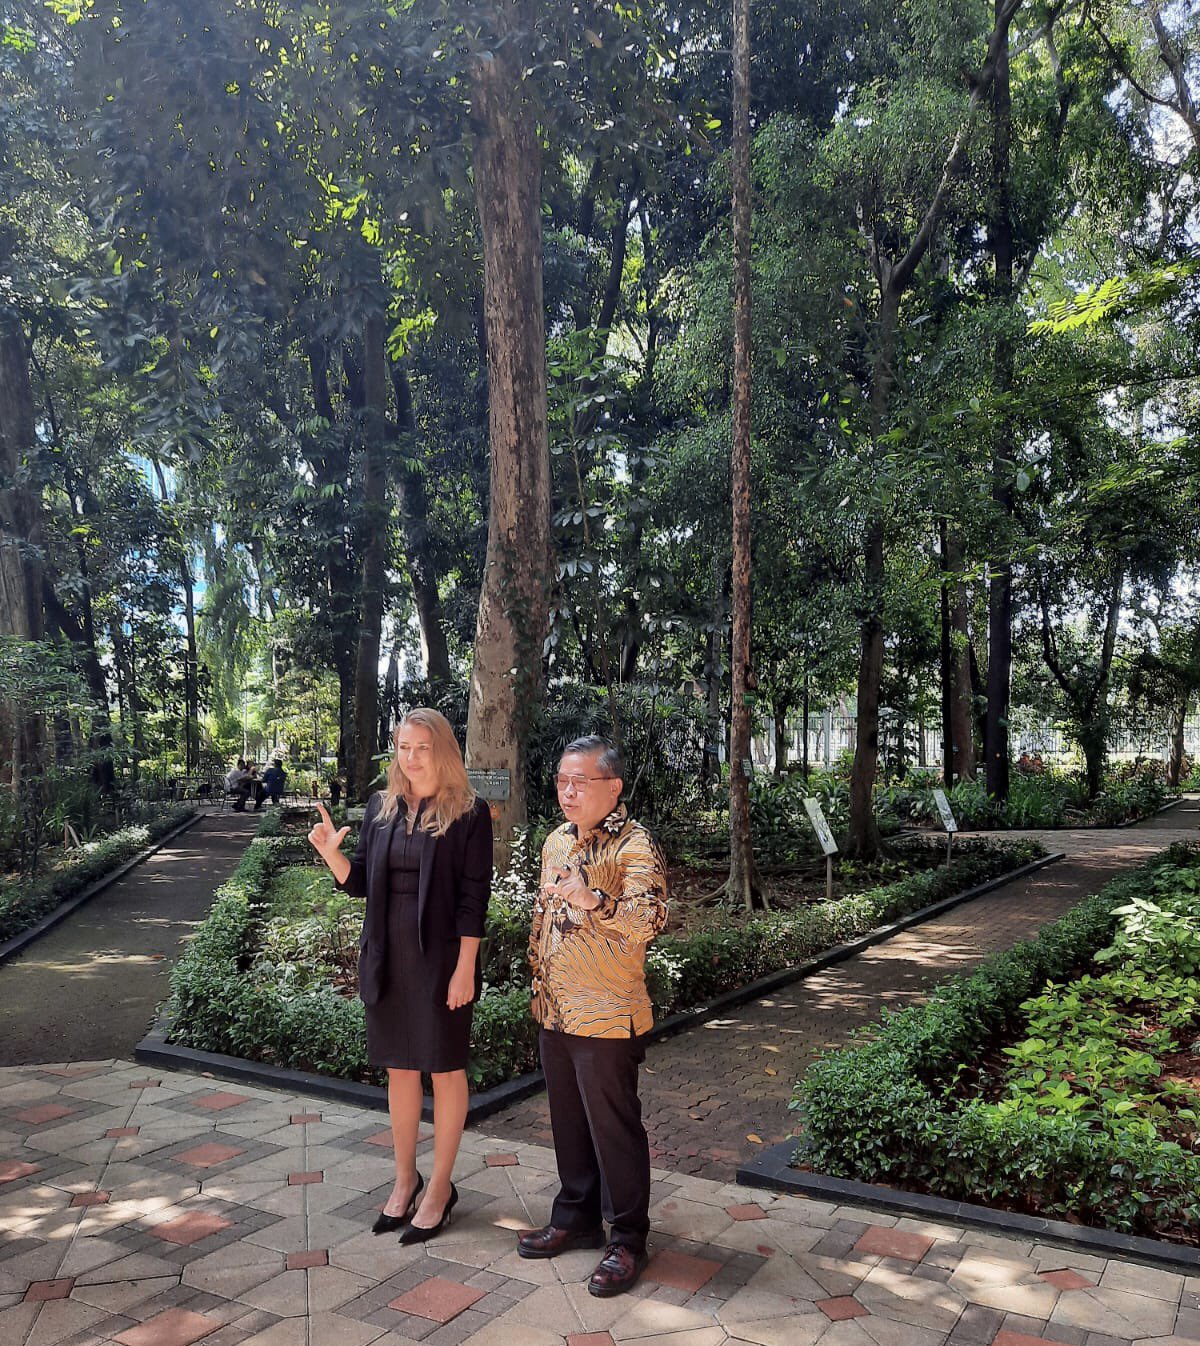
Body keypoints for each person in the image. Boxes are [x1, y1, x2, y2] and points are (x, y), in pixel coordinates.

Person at [307, 708, 492, 1244]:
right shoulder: (381, 807)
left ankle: (440, 1188)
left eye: (422, 747)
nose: (411, 757)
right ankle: (406, 1179)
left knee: (446, 1070)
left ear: (443, 751)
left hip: (441, 959)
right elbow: (362, 881)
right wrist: (332, 856)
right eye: (403, 747)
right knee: (401, 1070)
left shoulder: (469, 813)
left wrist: (465, 968)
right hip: (387, 955)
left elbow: (473, 898)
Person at [517, 735, 669, 1297]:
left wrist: (594, 901)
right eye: (562, 780)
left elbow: (650, 920)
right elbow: (545, 917)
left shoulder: (635, 845)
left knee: (614, 1128)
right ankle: (576, 1218)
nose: (568, 791)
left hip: (607, 1014)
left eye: (580, 781)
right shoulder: (556, 840)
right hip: (555, 1009)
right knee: (568, 1123)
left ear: (614, 787)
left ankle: (627, 1239)